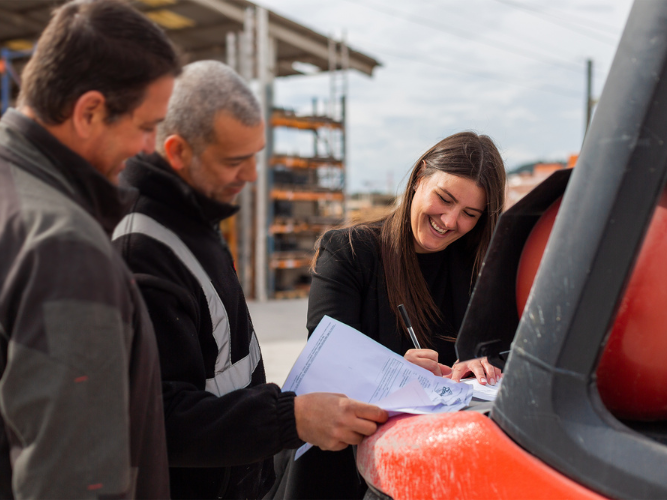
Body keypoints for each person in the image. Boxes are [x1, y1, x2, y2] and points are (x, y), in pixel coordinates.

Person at [112, 60, 387, 499]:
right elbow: (153, 417)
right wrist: (288, 419)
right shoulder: (141, 250)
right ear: (178, 151)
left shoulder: (196, 213)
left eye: (255, 155)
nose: (252, 175)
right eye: (235, 161)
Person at [0, 1, 180, 498]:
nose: (149, 148)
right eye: (147, 126)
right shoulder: (65, 247)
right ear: (89, 111)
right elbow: (78, 480)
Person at [285, 131, 508, 499]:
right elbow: (326, 367)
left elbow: (504, 349)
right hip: (341, 470)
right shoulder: (349, 252)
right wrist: (396, 374)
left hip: (432, 471)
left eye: (469, 214)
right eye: (444, 198)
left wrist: (485, 361)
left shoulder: (477, 268)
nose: (450, 221)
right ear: (419, 177)